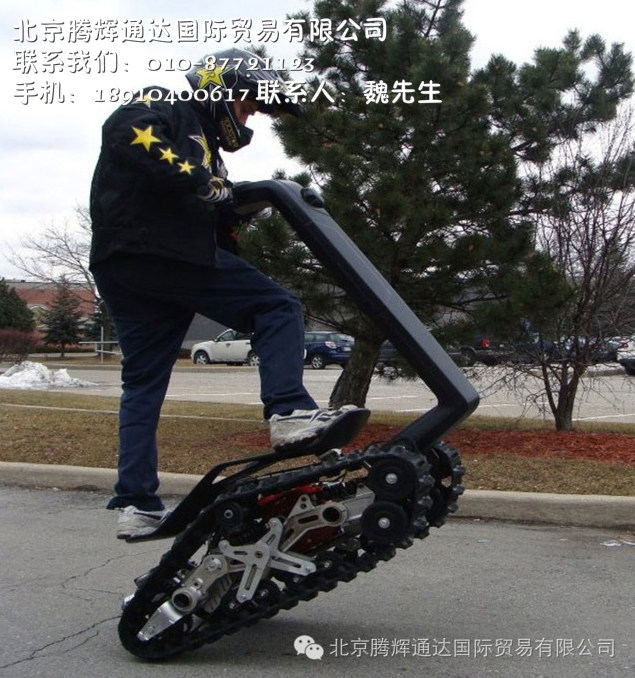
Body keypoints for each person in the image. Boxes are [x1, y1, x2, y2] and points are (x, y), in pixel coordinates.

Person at [89, 48, 359, 539]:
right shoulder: (167, 105)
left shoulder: (207, 148)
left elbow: (208, 209)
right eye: (247, 104)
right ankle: (288, 411)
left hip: (128, 265)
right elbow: (126, 131)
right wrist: (200, 180)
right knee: (277, 306)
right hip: (160, 252)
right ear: (222, 89)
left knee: (142, 384)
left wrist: (236, 207)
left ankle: (136, 503)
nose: (250, 116)